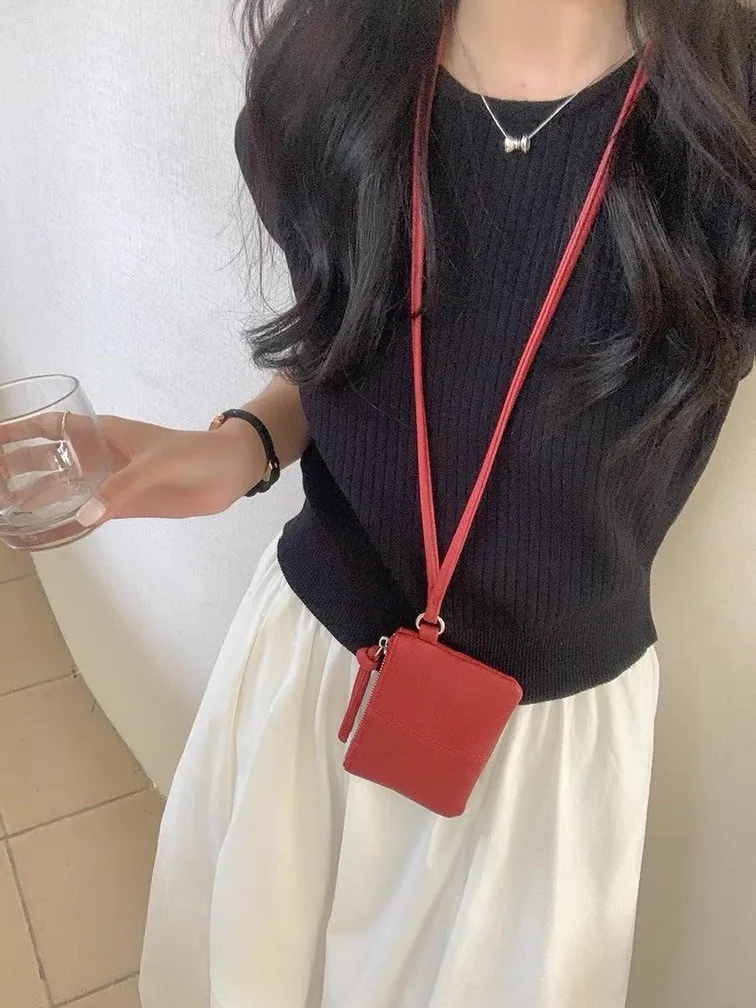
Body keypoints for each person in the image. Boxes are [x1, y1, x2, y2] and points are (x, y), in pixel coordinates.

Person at [76, 1, 754, 1005]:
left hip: (544, 759)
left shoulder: (732, 124)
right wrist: (246, 441)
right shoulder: (324, 74)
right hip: (313, 681)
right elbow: (352, 335)